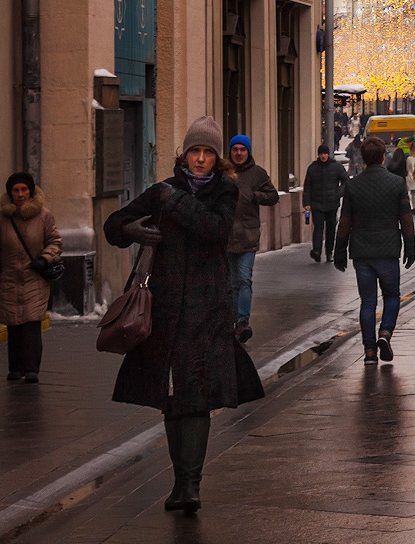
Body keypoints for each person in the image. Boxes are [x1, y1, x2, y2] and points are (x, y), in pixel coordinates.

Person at [103, 116, 264, 515]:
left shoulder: (224, 192)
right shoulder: (162, 191)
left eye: (208, 153)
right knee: (172, 397)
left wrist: (172, 201)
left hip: (208, 308)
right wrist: (134, 230)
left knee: (196, 395)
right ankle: (179, 482)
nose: (200, 159)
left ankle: (191, 485)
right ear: (185, 154)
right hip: (166, 308)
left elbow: (213, 230)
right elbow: (113, 225)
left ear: (217, 159)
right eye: (195, 151)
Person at [335, 136, 415, 364]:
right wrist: (410, 246)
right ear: (383, 157)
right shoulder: (396, 183)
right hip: (388, 249)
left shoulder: (353, 185)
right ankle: (385, 333)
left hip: (362, 252)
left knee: (368, 302)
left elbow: (345, 222)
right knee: (391, 296)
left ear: (363, 157)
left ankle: (370, 351)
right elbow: (406, 218)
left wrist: (339, 251)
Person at [0, 172, 62, 384]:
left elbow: (55, 242)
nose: (20, 194)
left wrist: (44, 259)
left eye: (24, 190)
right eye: (16, 190)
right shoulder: (2, 219)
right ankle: (15, 368)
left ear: (31, 191)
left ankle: (32, 369)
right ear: (10, 193)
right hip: (9, 279)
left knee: (31, 324)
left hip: (34, 278)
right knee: (14, 324)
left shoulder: (44, 216)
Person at [225, 134, 279, 342]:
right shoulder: (222, 173)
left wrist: (256, 196)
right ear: (230, 151)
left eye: (242, 149)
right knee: (230, 282)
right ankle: (229, 322)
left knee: (244, 279)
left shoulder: (257, 173)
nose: (238, 153)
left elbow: (272, 196)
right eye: (235, 149)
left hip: (248, 235)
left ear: (248, 152)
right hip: (226, 236)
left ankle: (242, 321)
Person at [303, 144, 346, 264]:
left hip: (332, 203)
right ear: (318, 155)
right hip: (317, 203)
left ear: (328, 154)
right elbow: (307, 186)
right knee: (318, 227)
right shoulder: (312, 168)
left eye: (325, 153)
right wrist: (306, 202)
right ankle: (316, 251)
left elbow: (345, 182)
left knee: (331, 228)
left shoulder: (337, 167)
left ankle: (329, 252)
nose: (323, 156)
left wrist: (338, 194)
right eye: (321, 154)